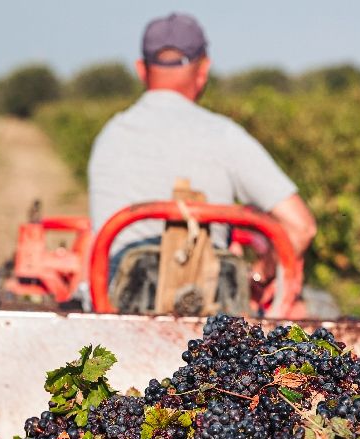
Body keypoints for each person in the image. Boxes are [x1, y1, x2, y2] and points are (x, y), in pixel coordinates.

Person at [87, 12, 317, 287]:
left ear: (141, 69)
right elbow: (302, 228)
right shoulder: (225, 136)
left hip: (114, 306)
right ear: (203, 69)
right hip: (206, 320)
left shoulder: (110, 136)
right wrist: (256, 278)